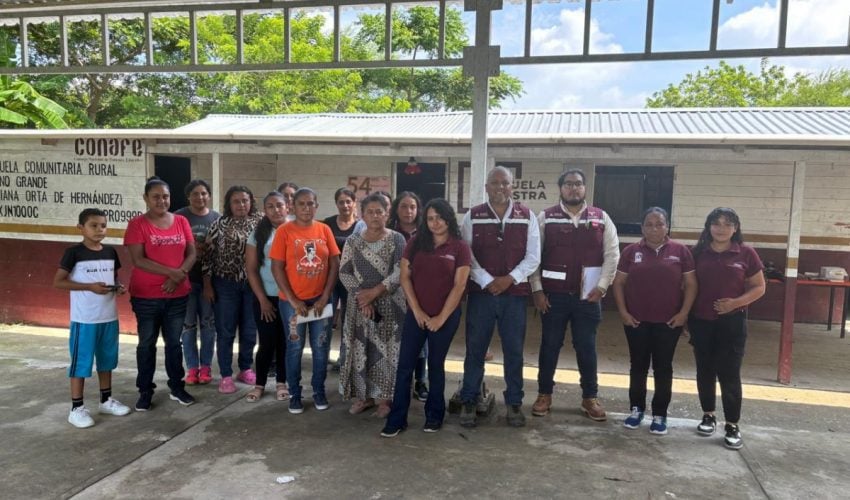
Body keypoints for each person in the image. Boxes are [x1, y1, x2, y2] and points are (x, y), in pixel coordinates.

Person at [529, 168, 619, 421]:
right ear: (560, 188)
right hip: (553, 297)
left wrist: (602, 286)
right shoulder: (545, 218)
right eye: (568, 184)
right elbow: (534, 256)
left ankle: (590, 397)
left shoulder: (601, 218)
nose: (573, 188)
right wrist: (536, 289)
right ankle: (544, 394)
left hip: (588, 297)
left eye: (578, 184)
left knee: (586, 347)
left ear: (584, 188)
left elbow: (612, 254)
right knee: (550, 346)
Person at [381, 199, 471, 437]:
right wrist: (418, 311)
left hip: (446, 317)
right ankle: (397, 418)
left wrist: (441, 318)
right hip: (416, 315)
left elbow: (459, 285)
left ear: (448, 218)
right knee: (405, 367)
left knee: (436, 367)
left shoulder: (460, 247)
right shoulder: (415, 243)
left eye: (439, 217)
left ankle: (434, 416)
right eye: (430, 218)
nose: (435, 222)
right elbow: (404, 278)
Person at [459, 166, 540, 428]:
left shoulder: (527, 216)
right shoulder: (474, 216)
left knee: (514, 351)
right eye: (494, 183)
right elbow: (466, 254)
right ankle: (469, 400)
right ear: (487, 187)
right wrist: (486, 280)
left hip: (514, 295)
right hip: (481, 295)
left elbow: (533, 256)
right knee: (475, 349)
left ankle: (514, 403)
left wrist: (508, 279)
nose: (500, 188)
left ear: (512, 186)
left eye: (505, 183)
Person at [612, 207, 697, 435]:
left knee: (663, 368)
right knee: (637, 366)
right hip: (636, 321)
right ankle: (636, 409)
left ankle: (660, 414)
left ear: (667, 226)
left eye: (659, 224)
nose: (654, 228)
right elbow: (618, 283)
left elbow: (691, 285)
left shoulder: (681, 251)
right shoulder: (631, 252)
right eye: (649, 224)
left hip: (668, 322)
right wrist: (623, 312)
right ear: (642, 228)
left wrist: (684, 313)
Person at [689, 207, 765, 450]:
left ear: (736, 228)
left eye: (727, 224)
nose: (721, 229)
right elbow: (687, 287)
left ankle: (732, 424)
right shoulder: (698, 252)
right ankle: (708, 415)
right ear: (708, 226)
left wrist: (735, 303)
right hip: (701, 321)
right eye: (716, 223)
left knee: (729, 373)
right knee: (705, 370)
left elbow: (759, 287)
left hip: (732, 323)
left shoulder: (746, 253)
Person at [54, 208, 131, 428]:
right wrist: (89, 286)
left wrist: (118, 288)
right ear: (81, 228)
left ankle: (106, 400)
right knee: (81, 363)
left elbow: (112, 278)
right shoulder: (74, 253)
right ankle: (76, 408)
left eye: (103, 225)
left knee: (107, 360)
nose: (99, 230)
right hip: (85, 319)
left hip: (108, 317)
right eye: (94, 225)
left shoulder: (110, 252)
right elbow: (58, 282)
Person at [124, 176, 197, 411]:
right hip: (146, 296)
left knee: (174, 343)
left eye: (165, 196)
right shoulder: (137, 224)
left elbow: (192, 252)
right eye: (155, 196)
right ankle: (145, 391)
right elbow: (138, 259)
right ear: (146, 198)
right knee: (146, 344)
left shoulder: (182, 221)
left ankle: (177, 387)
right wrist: (173, 273)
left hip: (177, 296)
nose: (161, 200)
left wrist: (179, 275)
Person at [270, 188, 341, 414]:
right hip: (292, 304)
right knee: (295, 348)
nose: (306, 208)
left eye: (311, 204)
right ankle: (295, 394)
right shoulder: (284, 231)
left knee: (321, 348)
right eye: (302, 204)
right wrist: (292, 300)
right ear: (293, 207)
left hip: (320, 301)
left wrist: (325, 297)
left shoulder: (324, 230)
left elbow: (334, 264)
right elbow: (277, 268)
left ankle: (318, 391)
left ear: (316, 206)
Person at [339, 193, 407, 417]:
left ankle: (386, 400)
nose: (375, 216)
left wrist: (375, 293)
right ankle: (363, 397)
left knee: (388, 352)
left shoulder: (397, 239)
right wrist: (362, 298)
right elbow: (344, 272)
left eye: (380, 211)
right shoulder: (353, 241)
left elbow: (400, 271)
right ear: (362, 215)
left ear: (387, 214)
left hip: (390, 306)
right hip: (359, 308)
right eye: (371, 212)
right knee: (360, 350)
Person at [203, 185, 262, 394]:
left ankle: (245, 368)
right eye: (236, 201)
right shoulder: (219, 224)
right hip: (225, 284)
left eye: (245, 201)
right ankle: (226, 375)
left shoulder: (260, 222)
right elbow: (207, 257)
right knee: (225, 330)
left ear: (251, 202)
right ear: (229, 203)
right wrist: (208, 284)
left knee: (249, 329)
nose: (241, 205)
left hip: (253, 285)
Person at [245, 192, 289, 402]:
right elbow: (252, 270)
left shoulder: (295, 230)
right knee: (267, 342)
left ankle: (282, 382)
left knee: (286, 343)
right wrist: (262, 299)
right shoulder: (258, 234)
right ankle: (260, 384)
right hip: (267, 298)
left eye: (279, 205)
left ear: (287, 207)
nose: (276, 210)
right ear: (265, 210)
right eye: (270, 206)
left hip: (290, 298)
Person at [174, 179, 220, 385]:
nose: (199, 197)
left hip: (209, 281)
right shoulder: (178, 216)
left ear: (209, 195)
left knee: (209, 325)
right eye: (195, 193)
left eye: (203, 193)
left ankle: (206, 367)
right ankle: (192, 368)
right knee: (188, 326)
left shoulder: (216, 218)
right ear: (188, 196)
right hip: (186, 280)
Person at [387, 191, 429, 401]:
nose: (408, 211)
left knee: (421, 340)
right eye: (403, 206)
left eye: (412, 207)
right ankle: (397, 380)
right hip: (392, 294)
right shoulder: (389, 233)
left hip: (420, 293)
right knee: (396, 339)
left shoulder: (426, 233)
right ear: (396, 209)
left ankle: (420, 381)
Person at [322, 188, 359, 370]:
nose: (345, 205)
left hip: (351, 281)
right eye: (341, 202)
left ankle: (344, 359)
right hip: (329, 279)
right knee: (325, 320)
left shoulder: (360, 226)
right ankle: (323, 356)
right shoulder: (327, 224)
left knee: (348, 321)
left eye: (348, 201)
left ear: (354, 203)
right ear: (336, 204)